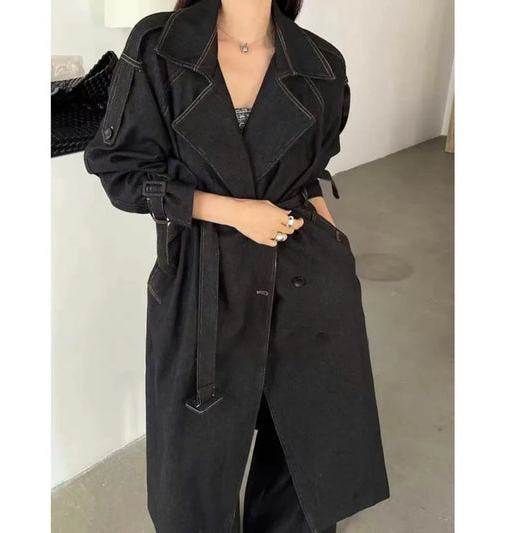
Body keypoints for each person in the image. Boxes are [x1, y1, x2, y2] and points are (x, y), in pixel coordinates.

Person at [83, 0, 390, 531]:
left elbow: (311, 170)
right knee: (194, 477)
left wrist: (334, 240)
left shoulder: (320, 61)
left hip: (305, 279)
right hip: (201, 284)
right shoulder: (161, 46)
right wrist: (233, 212)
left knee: (300, 457)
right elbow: (121, 172)